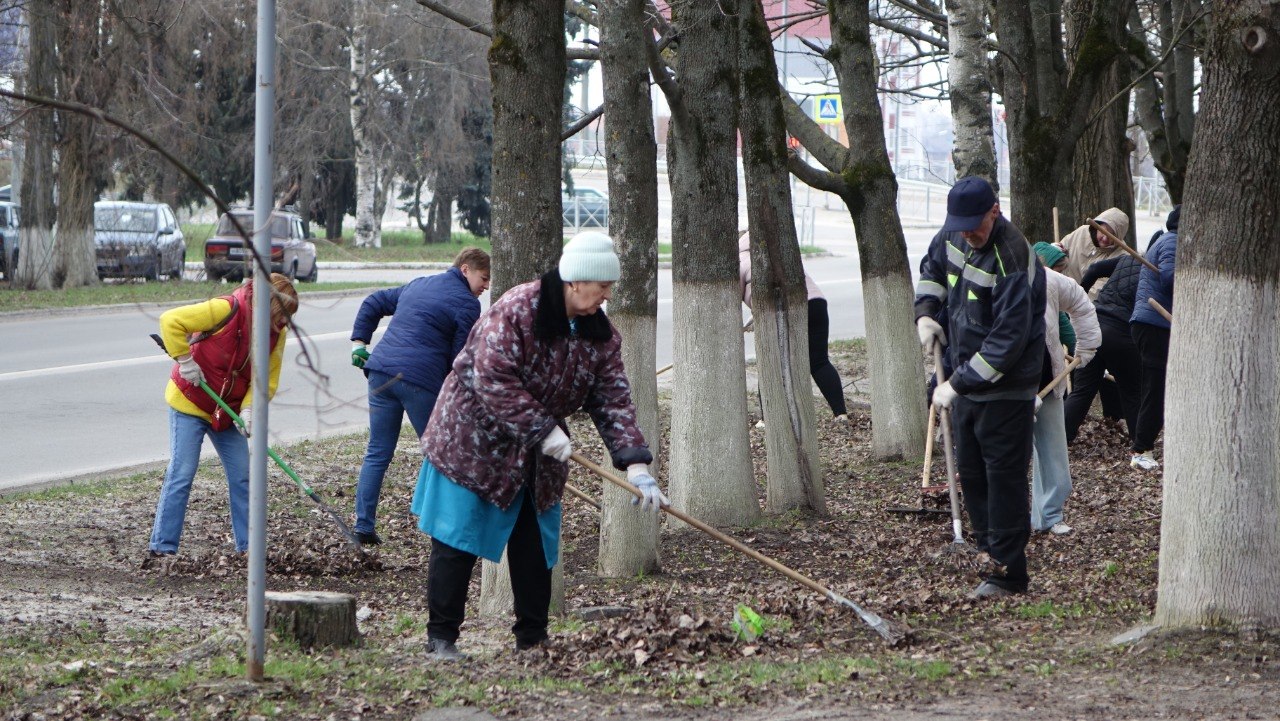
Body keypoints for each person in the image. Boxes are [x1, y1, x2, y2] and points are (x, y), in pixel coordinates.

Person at [410, 232, 664, 659]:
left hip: (536, 454)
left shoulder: (600, 335)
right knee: (456, 539)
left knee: (534, 547)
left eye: (610, 286)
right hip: (473, 441)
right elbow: (490, 377)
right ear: (575, 281)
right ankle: (442, 639)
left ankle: (532, 639)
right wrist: (543, 429)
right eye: (602, 285)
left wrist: (636, 463)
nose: (607, 294)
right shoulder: (517, 309)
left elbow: (613, 399)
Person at [914, 176, 1046, 600]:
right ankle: (989, 557)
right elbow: (932, 270)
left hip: (1006, 389)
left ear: (995, 210)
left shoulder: (1012, 256)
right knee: (971, 474)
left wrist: (958, 383)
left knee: (1002, 479)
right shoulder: (954, 234)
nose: (968, 233)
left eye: (976, 224)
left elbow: (1007, 341)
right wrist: (926, 313)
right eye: (961, 224)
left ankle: (1009, 574)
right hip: (962, 379)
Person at [146, 273, 300, 564]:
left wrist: (250, 409)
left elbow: (265, 379)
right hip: (191, 401)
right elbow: (170, 321)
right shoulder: (226, 309)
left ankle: (248, 547)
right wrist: (185, 360)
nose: (284, 324)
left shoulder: (276, 334)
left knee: (244, 475)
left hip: (227, 409)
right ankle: (162, 547)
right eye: (281, 316)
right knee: (183, 471)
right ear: (268, 306)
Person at [348, 248, 491, 546]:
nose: (486, 286)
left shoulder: (419, 284)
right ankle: (444, 530)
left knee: (378, 451)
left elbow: (373, 301)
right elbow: (458, 359)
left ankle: (363, 526)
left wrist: (359, 344)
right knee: (441, 453)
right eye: (484, 278)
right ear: (465, 269)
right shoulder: (467, 304)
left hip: (381, 374)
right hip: (419, 382)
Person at [738, 233, 847, 419]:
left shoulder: (739, 261)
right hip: (816, 303)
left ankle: (767, 419)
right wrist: (754, 318)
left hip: (783, 311)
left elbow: (735, 298)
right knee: (819, 361)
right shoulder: (778, 250)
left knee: (770, 363)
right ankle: (841, 414)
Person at [1030, 243, 1100, 536]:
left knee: (1053, 453)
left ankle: (1049, 515)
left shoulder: (1049, 280)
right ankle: (999, 521)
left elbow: (1081, 305)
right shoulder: (991, 280)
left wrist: (1087, 345)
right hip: (1004, 384)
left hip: (1047, 379)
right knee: (1002, 457)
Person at [1062, 253, 1144, 444]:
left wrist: (1080, 298)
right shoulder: (1161, 272)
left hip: (1093, 325)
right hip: (1120, 331)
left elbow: (1094, 269)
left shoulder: (1129, 258)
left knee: (1082, 390)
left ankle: (1061, 439)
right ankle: (1140, 446)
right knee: (1132, 392)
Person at [1128, 205, 1179, 471]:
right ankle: (1141, 449)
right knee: (1155, 389)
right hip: (1155, 323)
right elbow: (1170, 278)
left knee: (1156, 388)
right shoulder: (1172, 241)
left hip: (1153, 323)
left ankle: (1144, 445)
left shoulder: (1167, 241)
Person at [1056, 207, 1130, 297]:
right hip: (1060, 292)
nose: (1105, 238)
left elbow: (1098, 290)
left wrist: (1075, 303)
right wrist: (1054, 251)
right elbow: (1059, 254)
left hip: (1085, 305)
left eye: (1112, 235)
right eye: (1104, 232)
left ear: (1119, 237)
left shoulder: (1122, 256)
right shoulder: (1082, 232)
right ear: (1097, 226)